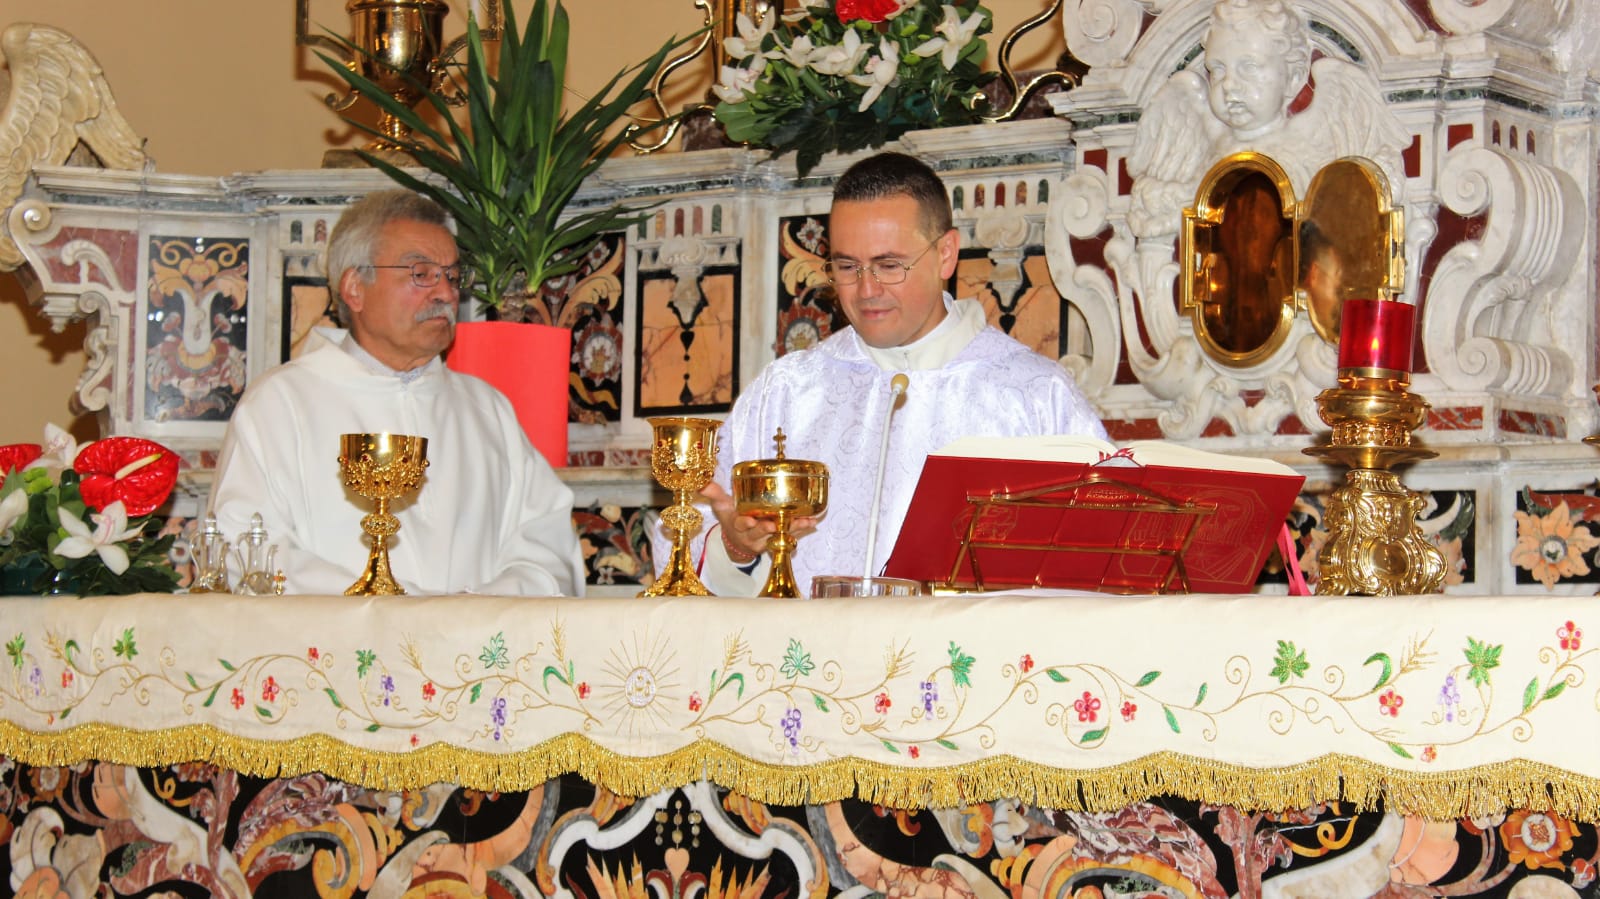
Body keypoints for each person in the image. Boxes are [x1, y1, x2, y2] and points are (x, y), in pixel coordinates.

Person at [681, 152, 1107, 596]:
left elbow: (1097, 568)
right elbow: (686, 536)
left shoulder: (1034, 394)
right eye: (847, 267)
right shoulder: (787, 391)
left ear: (945, 254)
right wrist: (736, 545)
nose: (866, 290)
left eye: (888, 266)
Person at [209, 190, 584, 596]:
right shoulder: (280, 405)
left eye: (453, 277)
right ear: (355, 287)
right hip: (335, 654)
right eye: (420, 274)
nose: (445, 293)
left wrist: (473, 613)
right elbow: (247, 552)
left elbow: (548, 547)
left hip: (473, 652)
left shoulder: (486, 410)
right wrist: (389, 613)